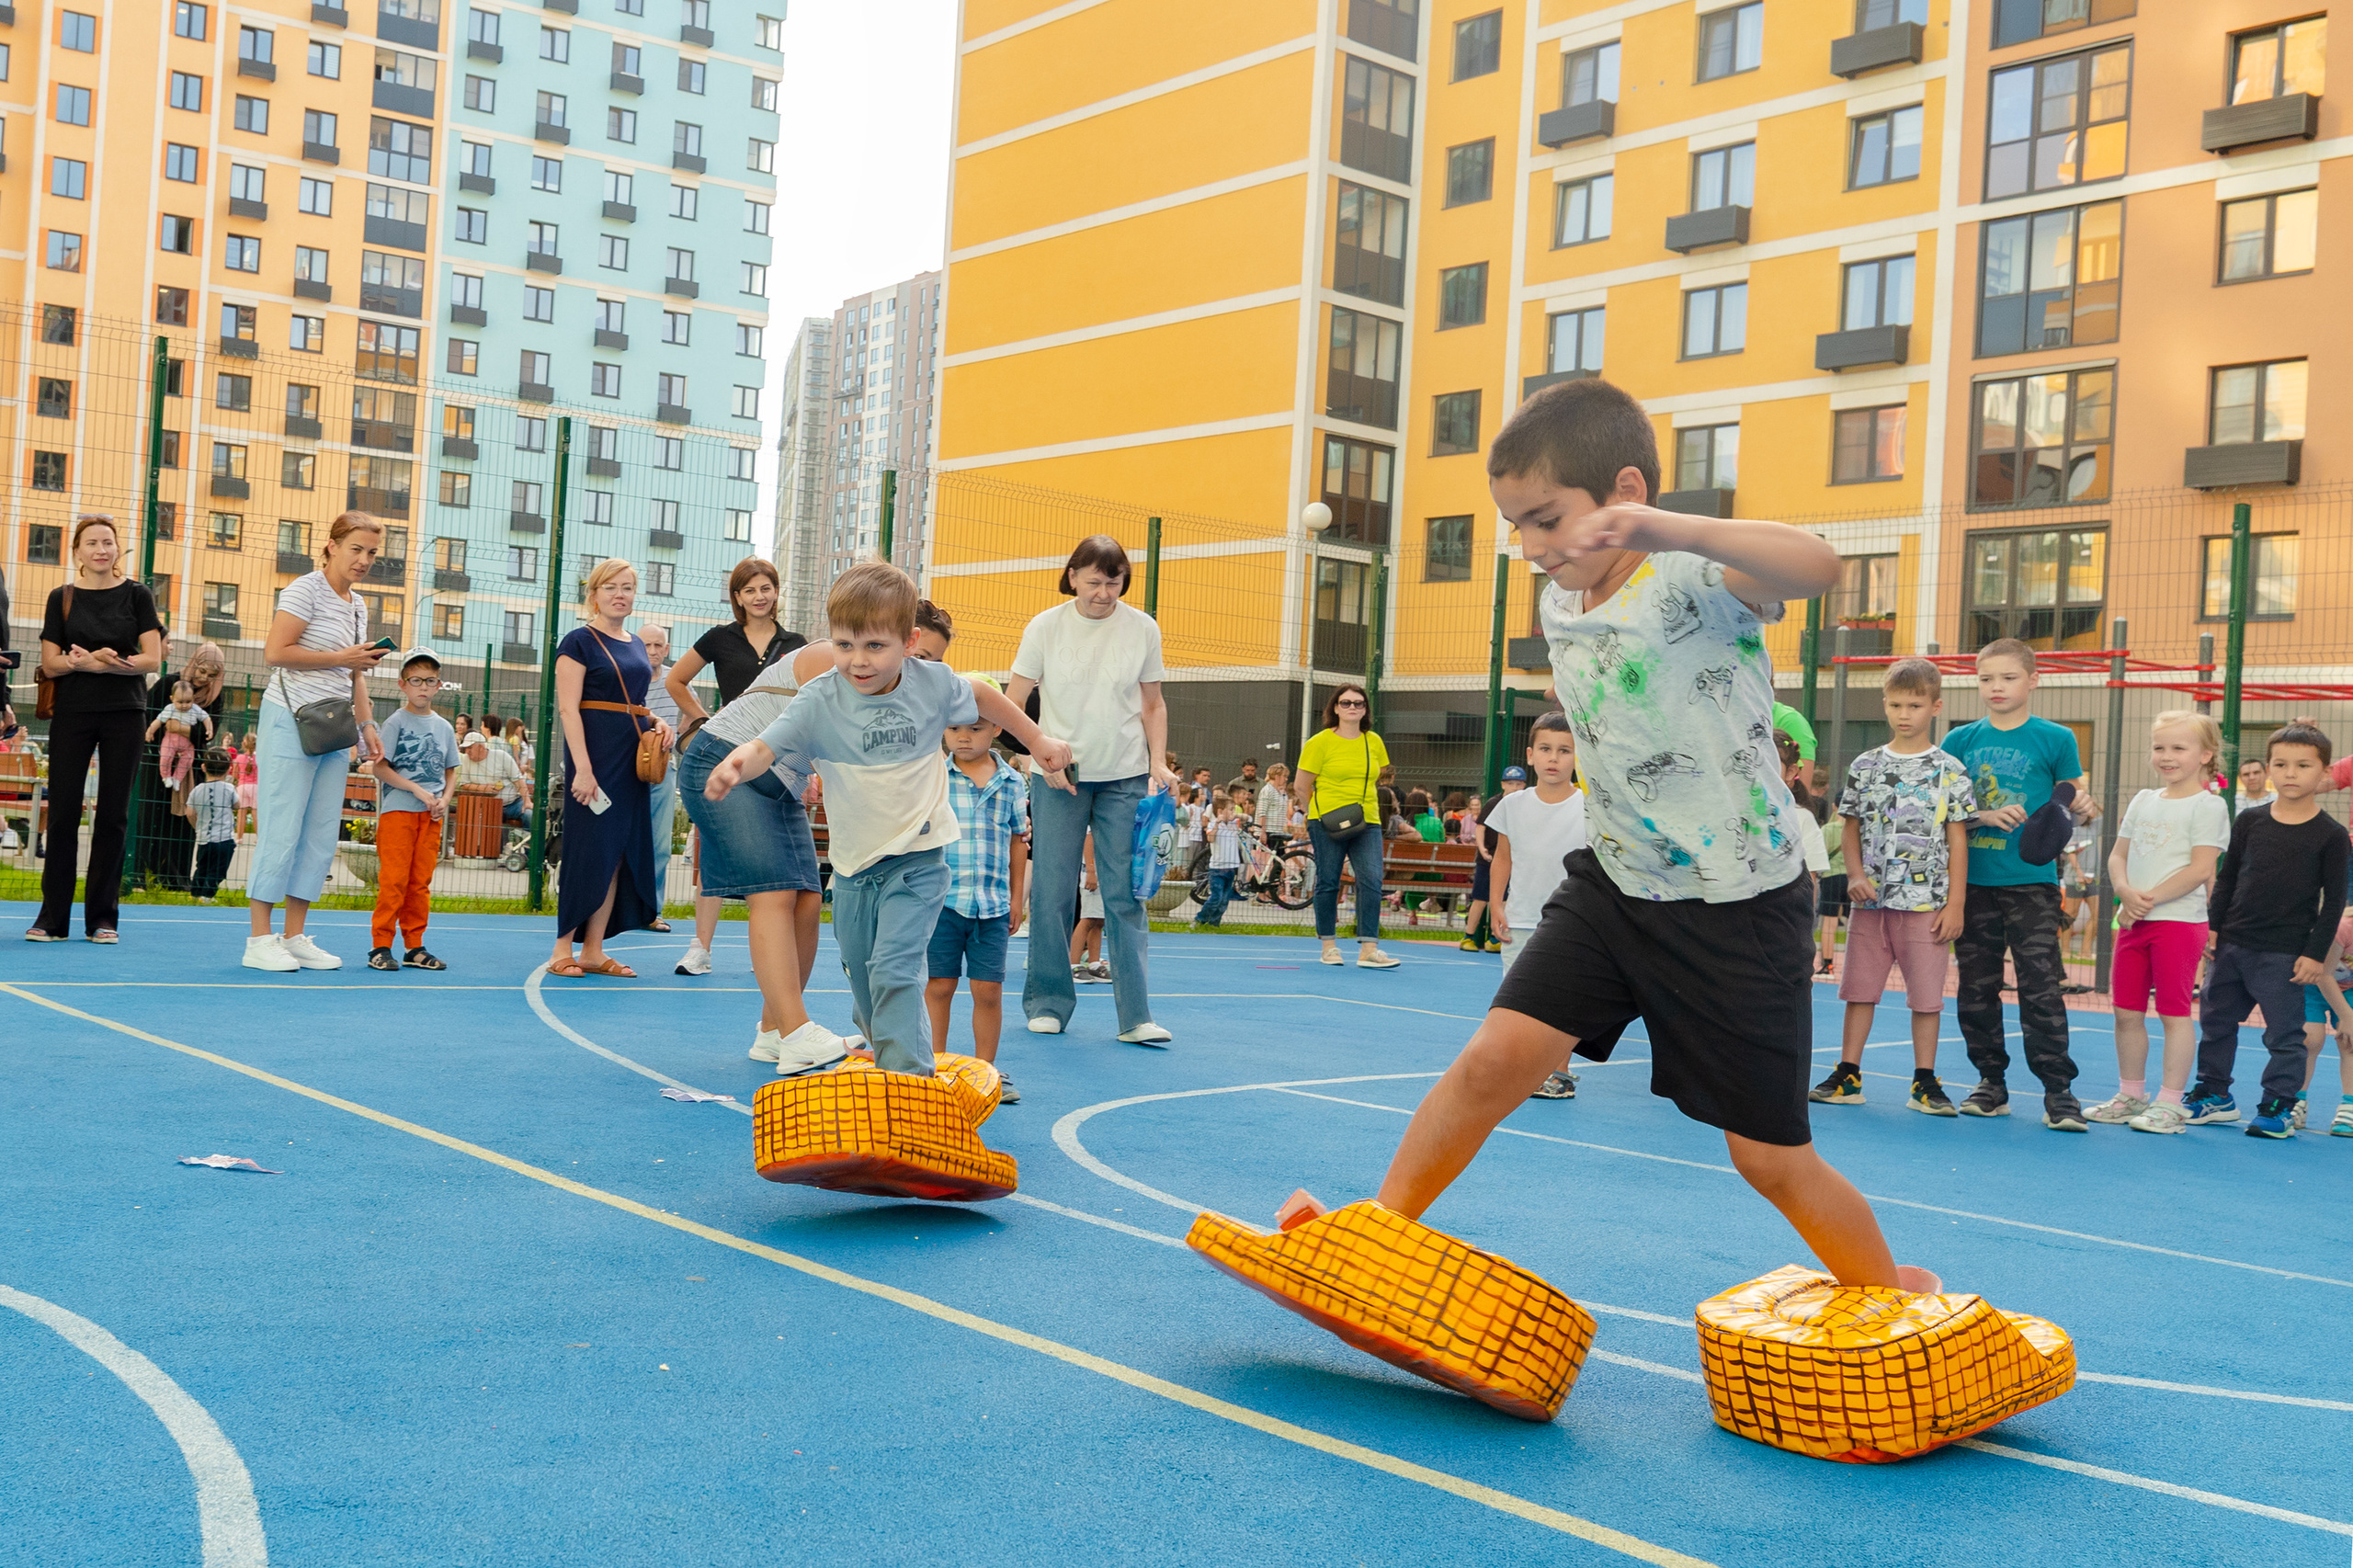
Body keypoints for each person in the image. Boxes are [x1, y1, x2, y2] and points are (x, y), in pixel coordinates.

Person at [1370, 376, 1925, 1294]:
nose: (1533, 547)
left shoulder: (1696, 578)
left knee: (1769, 1160)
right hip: (1616, 888)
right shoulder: (1560, 599)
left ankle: (1892, 1296)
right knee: (1488, 1062)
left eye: (1546, 519)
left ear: (1624, 493)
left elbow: (1816, 565)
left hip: (1738, 905)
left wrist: (1666, 526)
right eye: (1517, 526)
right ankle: (1375, 1233)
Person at [701, 562, 1071, 1078]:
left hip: (917, 863)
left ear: (909, 640)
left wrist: (1039, 740)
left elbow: (986, 696)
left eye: (875, 646)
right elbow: (768, 745)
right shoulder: (820, 697)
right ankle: (888, 1053)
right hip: (853, 873)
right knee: (864, 978)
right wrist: (738, 764)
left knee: (896, 971)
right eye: (845, 644)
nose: (858, 660)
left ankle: (910, 1081)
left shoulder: (931, 684)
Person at [1006, 534, 1177, 1045]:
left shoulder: (1143, 628)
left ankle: (1135, 1017)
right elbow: (1014, 700)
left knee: (1125, 894)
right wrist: (1035, 753)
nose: (1104, 592)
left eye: (1115, 582)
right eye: (1095, 581)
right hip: (1061, 776)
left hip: (1124, 777)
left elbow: (1153, 705)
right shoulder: (1045, 626)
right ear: (1074, 576)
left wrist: (1157, 763)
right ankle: (1048, 1003)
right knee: (1055, 891)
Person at [677, 631, 857, 1071]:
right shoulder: (831, 657)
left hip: (778, 781)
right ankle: (797, 1035)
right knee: (774, 894)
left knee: (808, 899)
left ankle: (774, 1031)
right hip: (722, 757)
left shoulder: (891, 672)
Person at [1809, 658, 1977, 1117]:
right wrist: (1857, 876)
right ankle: (1848, 1073)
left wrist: (1956, 903)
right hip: (1871, 906)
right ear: (1885, 705)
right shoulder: (1865, 766)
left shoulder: (1951, 770)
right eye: (1897, 704)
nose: (1905, 714)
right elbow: (1850, 827)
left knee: (1926, 997)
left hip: (1927, 907)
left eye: (1916, 705)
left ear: (1935, 706)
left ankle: (1924, 1080)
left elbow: (1958, 839)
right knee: (1859, 990)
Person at [1939, 638, 2093, 1129]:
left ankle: (2059, 1092)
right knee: (1976, 988)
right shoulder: (1959, 741)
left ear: (2033, 680)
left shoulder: (2057, 738)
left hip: (2032, 883)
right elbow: (1941, 811)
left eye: (2007, 677)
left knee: (2041, 986)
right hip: (1973, 884)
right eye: (1986, 678)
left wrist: (2084, 806)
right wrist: (1982, 814)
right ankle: (1990, 1083)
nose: (1996, 687)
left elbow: (2073, 798)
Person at [2187, 723, 2348, 1138]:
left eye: (2302, 765)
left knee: (2285, 1035)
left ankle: (2278, 1106)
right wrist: (2214, 928)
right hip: (2234, 945)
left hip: (2284, 954)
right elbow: (2227, 879)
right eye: (2281, 764)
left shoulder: (2332, 835)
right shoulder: (2249, 820)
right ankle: (2213, 1094)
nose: (2290, 772)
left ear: (2324, 772)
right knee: (2216, 1022)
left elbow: (2333, 901)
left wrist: (2314, 954)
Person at [245, 512, 388, 971]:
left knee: (321, 832)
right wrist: (340, 656)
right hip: (290, 719)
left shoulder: (358, 605)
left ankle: (293, 936)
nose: (364, 560)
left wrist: (367, 727)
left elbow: (355, 672)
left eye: (372, 553)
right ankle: (259, 939)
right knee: (281, 827)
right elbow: (276, 652)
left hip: (335, 728)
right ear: (331, 546)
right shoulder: (304, 589)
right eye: (356, 549)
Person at [2090, 712, 2233, 1132]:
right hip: (2133, 921)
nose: (2166, 757)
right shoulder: (2143, 800)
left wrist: (2144, 901)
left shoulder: (2209, 806)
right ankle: (2131, 1095)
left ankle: (2171, 1103)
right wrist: (2125, 893)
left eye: (2178, 748)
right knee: (2126, 1012)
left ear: (2206, 755)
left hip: (2177, 923)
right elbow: (2118, 855)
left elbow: (2199, 869)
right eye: (2159, 747)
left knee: (2174, 1013)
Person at [28, 516, 166, 944]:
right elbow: (52, 663)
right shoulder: (61, 597)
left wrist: (108, 661)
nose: (101, 549)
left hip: (125, 712)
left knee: (112, 815)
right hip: (73, 713)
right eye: (92, 543)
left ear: (117, 549)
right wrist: (83, 662)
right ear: (77, 552)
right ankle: (52, 919)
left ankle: (102, 919)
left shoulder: (137, 594)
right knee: (65, 813)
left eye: (109, 542)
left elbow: (152, 659)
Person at [667, 558, 806, 974]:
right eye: (750, 590)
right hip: (726, 750)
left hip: (777, 757)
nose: (759, 596)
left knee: (771, 855)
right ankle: (700, 948)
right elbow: (675, 680)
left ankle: (766, 949)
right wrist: (702, 720)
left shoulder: (796, 643)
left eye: (766, 588)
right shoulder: (719, 638)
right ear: (737, 597)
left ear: (776, 591)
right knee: (712, 847)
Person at [548, 560, 672, 979]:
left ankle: (594, 951)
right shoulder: (578, 641)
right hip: (595, 759)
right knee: (588, 851)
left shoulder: (637, 643)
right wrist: (582, 769)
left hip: (630, 760)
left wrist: (656, 720)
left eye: (628, 587)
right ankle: (562, 947)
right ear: (594, 593)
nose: (621, 594)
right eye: (611, 587)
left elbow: (633, 702)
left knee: (618, 853)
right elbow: (568, 708)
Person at [926, 699, 1030, 1097]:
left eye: (976, 727)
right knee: (939, 985)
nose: (963, 736)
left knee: (988, 990)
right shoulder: (935, 774)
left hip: (992, 905)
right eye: (954, 728)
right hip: (943, 902)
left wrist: (1017, 898)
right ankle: (933, 1069)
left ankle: (987, 1073)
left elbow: (1017, 842)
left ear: (996, 730)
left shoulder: (1011, 782)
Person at [1484, 712, 1588, 1103]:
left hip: (1573, 921)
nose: (1554, 759)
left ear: (1577, 758)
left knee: (1565, 999)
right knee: (1519, 1001)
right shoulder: (1513, 805)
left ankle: (1559, 1072)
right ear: (1530, 755)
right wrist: (1497, 903)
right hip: (1522, 916)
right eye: (1545, 749)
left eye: (1564, 751)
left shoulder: (1589, 806)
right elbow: (1502, 859)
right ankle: (1527, 1068)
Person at [364, 650, 460, 971]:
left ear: (438, 685)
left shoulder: (445, 727)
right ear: (402, 684)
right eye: (416, 680)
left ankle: (414, 947)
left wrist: (445, 798)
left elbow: (451, 771)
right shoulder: (395, 722)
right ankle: (381, 946)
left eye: (430, 681)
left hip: (430, 817)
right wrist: (417, 789)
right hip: (398, 812)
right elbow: (380, 769)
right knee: (394, 880)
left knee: (420, 882)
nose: (423, 687)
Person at [1296, 683, 1398, 970]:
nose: (1352, 707)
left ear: (1365, 709)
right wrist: (1311, 815)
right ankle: (1329, 945)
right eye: (1346, 703)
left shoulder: (1373, 741)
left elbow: (1377, 777)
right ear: (1335, 708)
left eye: (1358, 703)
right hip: (1326, 821)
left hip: (1367, 820)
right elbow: (1302, 786)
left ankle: (1369, 949)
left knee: (1372, 879)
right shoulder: (1319, 742)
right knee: (1328, 880)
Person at [131, 640, 229, 891]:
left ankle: (173, 879)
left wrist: (176, 726)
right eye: (202, 670)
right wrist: (184, 730)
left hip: (189, 769)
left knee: (181, 824)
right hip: (155, 762)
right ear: (193, 664)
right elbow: (146, 720)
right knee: (148, 818)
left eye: (212, 675)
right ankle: (138, 874)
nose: (204, 678)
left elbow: (207, 735)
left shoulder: (215, 697)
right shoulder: (168, 684)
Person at [2294, 910, 2353, 1135]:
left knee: (2350, 1041)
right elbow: (2324, 975)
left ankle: (2349, 1106)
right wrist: (2347, 1016)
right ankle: (2296, 1101)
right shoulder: (2343, 928)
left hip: (2350, 989)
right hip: (2314, 983)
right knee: (2310, 1039)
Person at [638, 623, 680, 931]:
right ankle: (615, 908)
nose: (653, 651)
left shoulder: (676, 681)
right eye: (647, 645)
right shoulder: (628, 679)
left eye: (658, 646)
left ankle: (653, 910)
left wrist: (676, 736)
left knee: (659, 844)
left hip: (663, 770)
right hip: (628, 767)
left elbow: (692, 715)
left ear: (666, 649)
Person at [1459, 765, 1525, 953]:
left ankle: (1495, 938)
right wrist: (1482, 849)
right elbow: (1481, 828)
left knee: (1503, 899)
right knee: (1480, 898)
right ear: (1503, 784)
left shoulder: (1523, 805)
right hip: (1487, 859)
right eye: (1510, 783)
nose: (1514, 787)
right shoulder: (1494, 803)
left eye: (1519, 784)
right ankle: (1468, 937)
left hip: (1509, 860)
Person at [145, 676, 213, 795]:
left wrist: (209, 729)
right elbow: (158, 721)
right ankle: (166, 776)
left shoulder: (195, 709)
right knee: (165, 757)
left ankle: (177, 779)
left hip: (187, 743)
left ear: (193, 700)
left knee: (187, 760)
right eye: (180, 702)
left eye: (188, 701)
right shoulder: (170, 709)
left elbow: (206, 718)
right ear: (172, 699)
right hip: (171, 739)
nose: (184, 705)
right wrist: (150, 731)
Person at [187, 750, 239, 900]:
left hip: (204, 837)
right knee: (218, 869)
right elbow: (237, 805)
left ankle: (196, 893)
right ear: (228, 769)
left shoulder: (197, 790)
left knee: (202, 866)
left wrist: (197, 827)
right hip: (224, 839)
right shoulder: (229, 789)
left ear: (203, 768)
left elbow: (190, 812)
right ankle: (207, 895)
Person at [458, 729, 530, 828]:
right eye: (465, 748)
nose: (467, 751)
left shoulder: (501, 756)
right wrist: (483, 788)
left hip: (513, 803)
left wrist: (527, 802)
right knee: (487, 827)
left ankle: (531, 843)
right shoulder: (466, 760)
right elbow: (464, 784)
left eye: (470, 748)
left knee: (530, 815)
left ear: (481, 747)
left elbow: (518, 780)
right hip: (489, 807)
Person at [1194, 793, 1244, 928]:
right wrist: (1217, 822)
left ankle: (1214, 923)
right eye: (1231, 809)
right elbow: (1210, 838)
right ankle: (1200, 919)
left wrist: (1237, 816)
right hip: (1217, 868)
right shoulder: (1212, 824)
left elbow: (1247, 818)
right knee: (1216, 898)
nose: (1233, 812)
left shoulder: (1234, 824)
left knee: (1224, 900)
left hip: (1231, 867)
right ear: (1221, 812)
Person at [1071, 829, 1108, 982]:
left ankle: (1094, 962)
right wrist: (1091, 870)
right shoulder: (1095, 820)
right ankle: (1073, 964)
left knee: (1099, 921)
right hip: (1092, 875)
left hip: (1104, 874)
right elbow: (1088, 840)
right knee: (1088, 919)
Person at [1256, 764, 1292, 855]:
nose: (1286, 779)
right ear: (1277, 776)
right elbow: (1262, 812)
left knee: (1279, 863)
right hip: (1269, 832)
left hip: (1278, 832)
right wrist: (1262, 832)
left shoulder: (1280, 792)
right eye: (1284, 776)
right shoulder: (1267, 790)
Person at [230, 729, 259, 837]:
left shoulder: (239, 758)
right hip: (256, 786)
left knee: (242, 812)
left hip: (242, 786)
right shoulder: (259, 758)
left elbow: (235, 775)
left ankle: (239, 838)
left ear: (244, 744)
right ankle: (258, 838)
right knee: (255, 812)